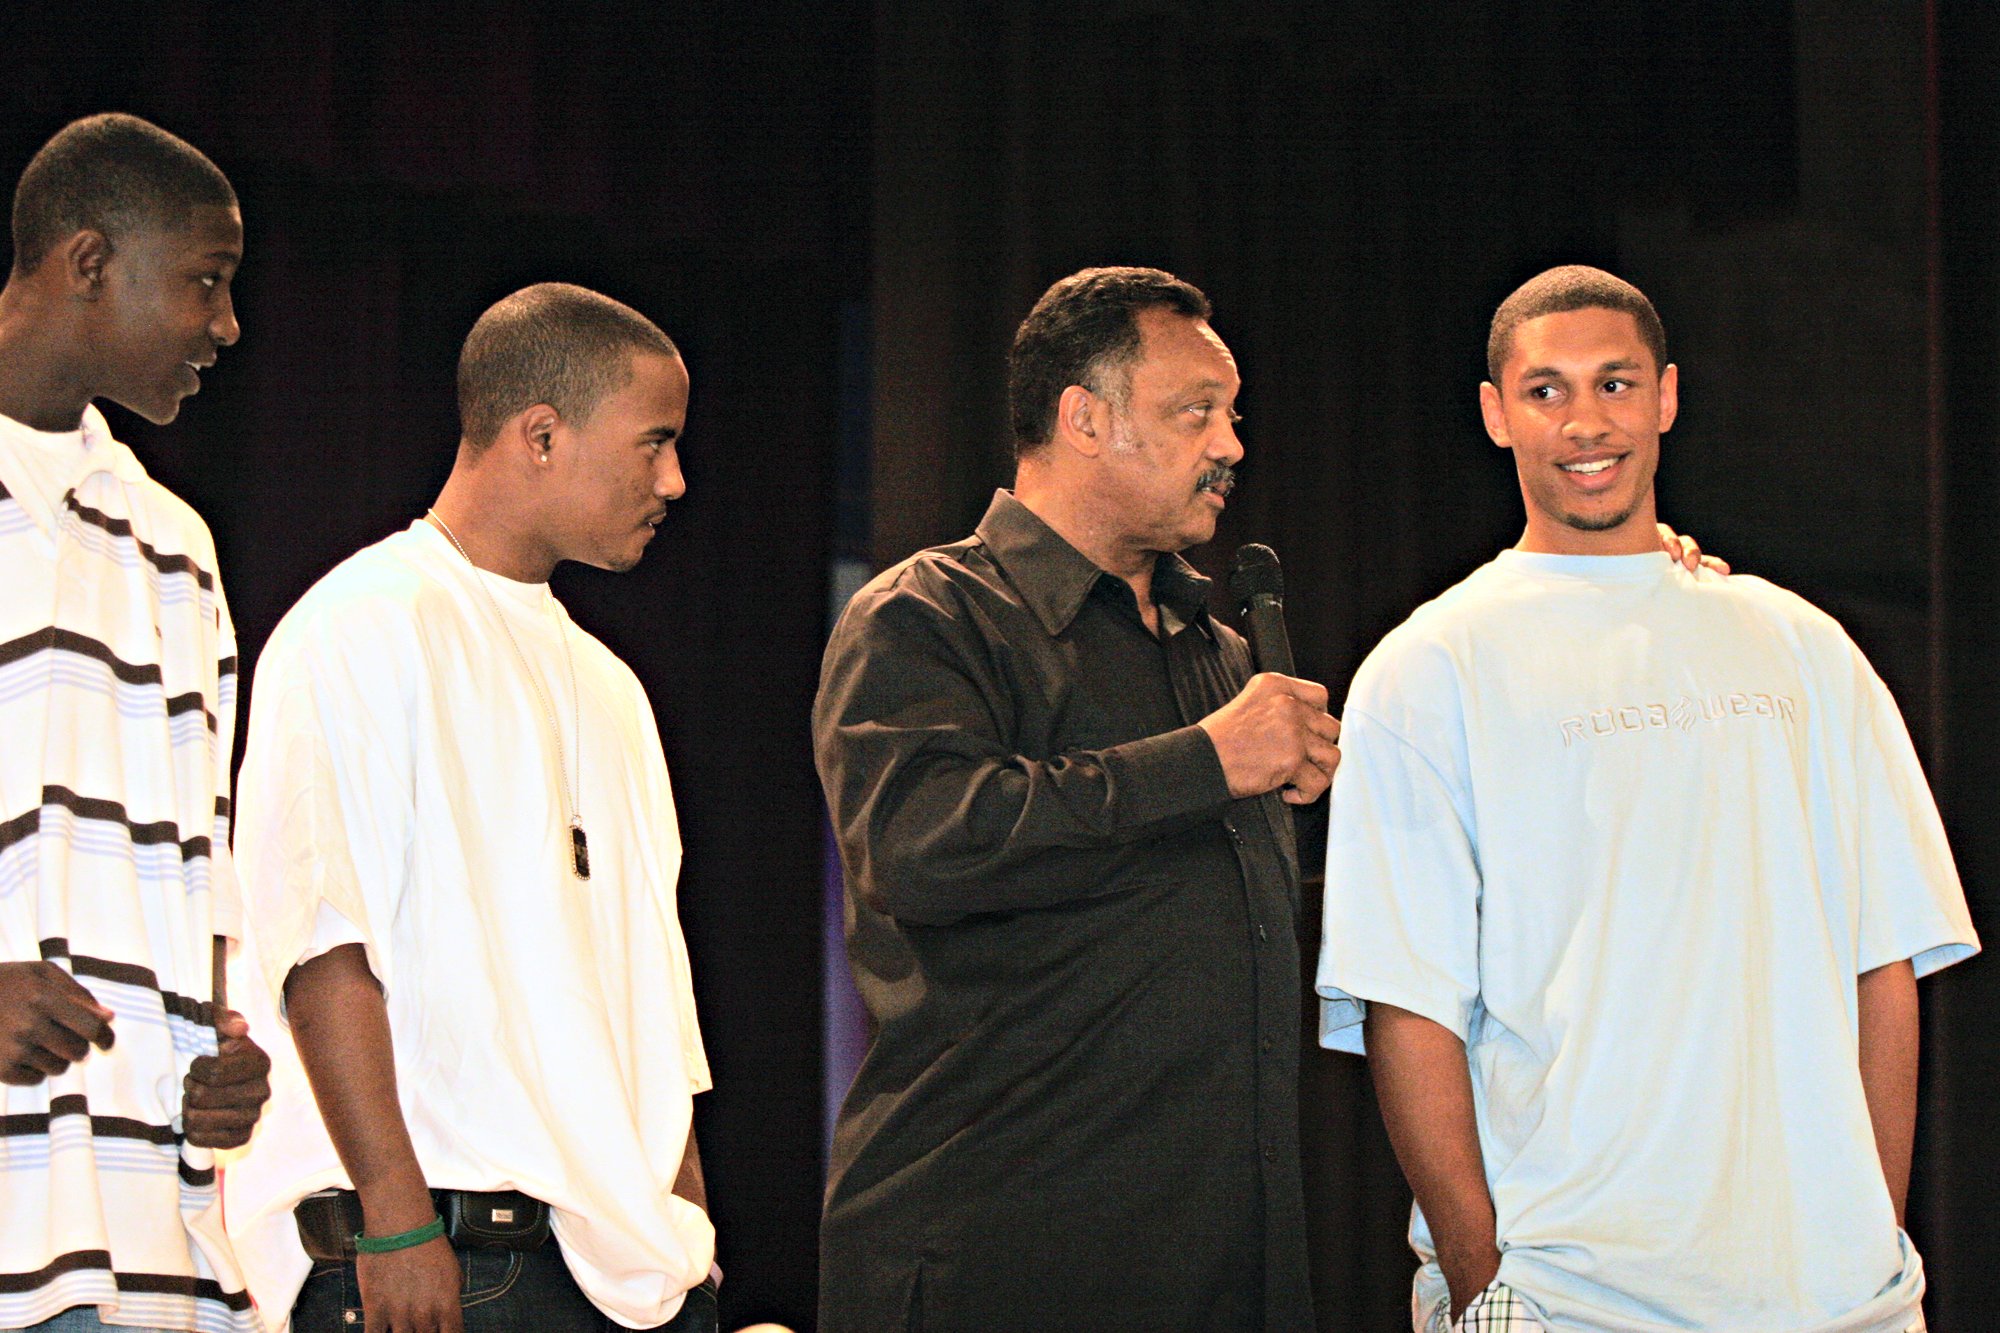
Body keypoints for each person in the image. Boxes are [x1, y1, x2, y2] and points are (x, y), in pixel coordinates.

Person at [1317, 265, 1979, 1333]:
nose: (1585, 420)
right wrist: (1488, 1281)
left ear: (1665, 396)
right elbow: (1405, 1005)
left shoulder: (1802, 646)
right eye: (1545, 390)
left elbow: (1883, 959)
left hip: (1834, 1301)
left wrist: (1868, 1233)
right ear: (1494, 414)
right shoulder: (1427, 668)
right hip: (1564, 1301)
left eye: (1614, 383)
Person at [813, 266, 1342, 1330]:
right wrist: (1205, 761)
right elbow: (919, 843)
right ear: (1083, 417)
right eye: (1195, 412)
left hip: (1220, 1263)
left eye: (1232, 414)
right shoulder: (926, 617)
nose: (1230, 445)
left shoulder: (1216, 649)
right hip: (1001, 1262)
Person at [221, 283, 718, 1332]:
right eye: (653, 442)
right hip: (439, 1256)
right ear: (540, 433)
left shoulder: (613, 687)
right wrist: (397, 1225)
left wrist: (686, 1241)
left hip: (620, 1274)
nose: (675, 479)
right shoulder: (359, 626)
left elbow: (651, 1003)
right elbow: (319, 945)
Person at [0, 113, 270, 1333]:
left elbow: (197, 855)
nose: (226, 326)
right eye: (205, 282)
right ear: (90, 263)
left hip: (144, 1233)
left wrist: (223, 1043)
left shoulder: (176, 545)